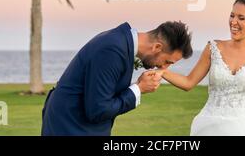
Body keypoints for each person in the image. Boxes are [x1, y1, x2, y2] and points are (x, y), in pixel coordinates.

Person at [155, 0, 245, 136]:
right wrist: (163, 72)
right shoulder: (213, 48)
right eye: (232, 15)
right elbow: (188, 82)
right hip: (209, 128)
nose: (233, 22)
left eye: (241, 18)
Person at [41, 21, 193, 136]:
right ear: (157, 47)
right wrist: (138, 89)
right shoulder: (113, 50)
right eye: (167, 62)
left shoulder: (120, 42)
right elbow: (98, 110)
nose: (164, 68)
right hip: (70, 127)